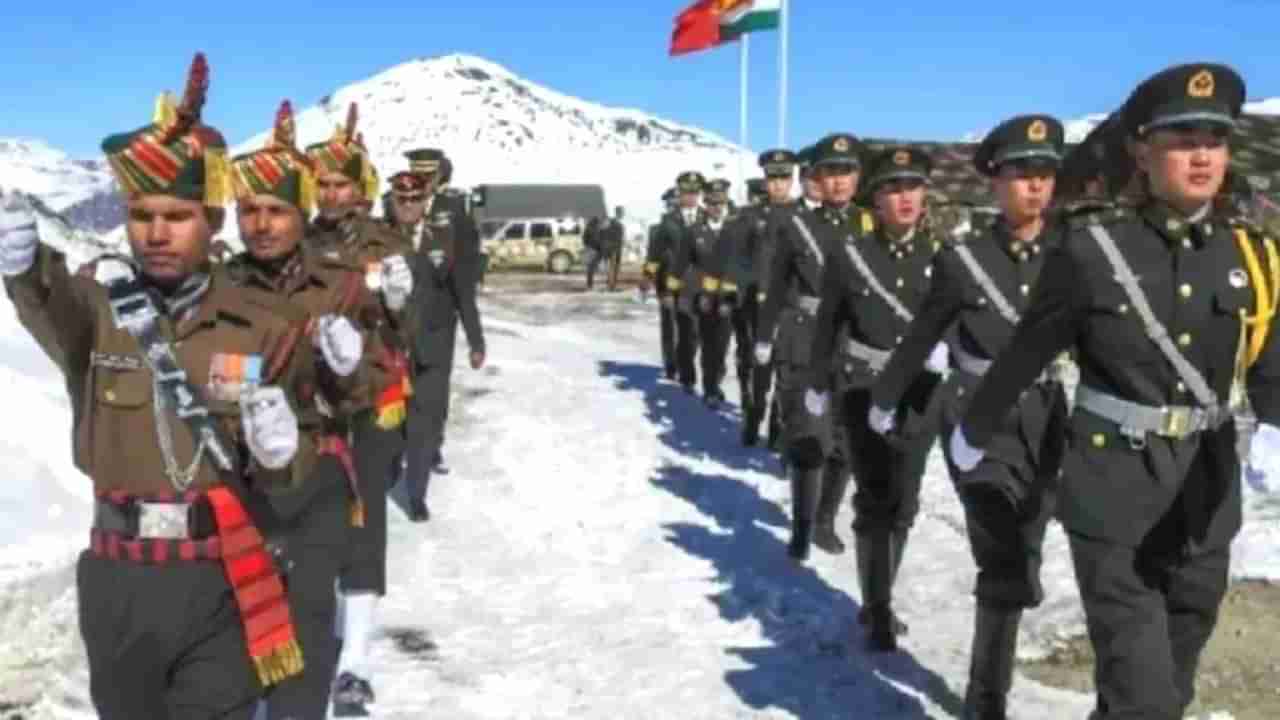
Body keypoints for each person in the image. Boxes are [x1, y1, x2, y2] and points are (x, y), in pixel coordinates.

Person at [951, 63, 1280, 720]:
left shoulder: (1254, 256)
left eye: (1213, 140)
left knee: (1169, 684)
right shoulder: (1091, 249)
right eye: (1182, 138)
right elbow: (1027, 351)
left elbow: (1269, 378)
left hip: (1207, 497)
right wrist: (973, 432)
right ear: (1141, 149)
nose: (1201, 155)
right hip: (1113, 494)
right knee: (1146, 700)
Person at [0, 54, 313, 719]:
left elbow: (298, 463)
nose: (156, 233)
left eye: (177, 215)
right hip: (119, 578)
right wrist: (25, 269)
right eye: (141, 215)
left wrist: (287, 454)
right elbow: (51, 303)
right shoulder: (101, 308)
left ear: (213, 222)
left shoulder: (263, 326)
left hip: (220, 573)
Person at [871, 117, 1070, 711]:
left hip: (1048, 417)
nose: (1034, 186)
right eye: (1019, 174)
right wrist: (885, 399)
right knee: (1002, 555)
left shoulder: (1074, 255)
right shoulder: (965, 261)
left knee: (1027, 546)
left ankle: (1003, 632)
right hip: (977, 422)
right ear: (994, 183)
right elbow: (919, 337)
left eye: (1044, 174)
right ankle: (988, 698)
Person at [226, 98, 399, 719]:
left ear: (300, 214)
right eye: (250, 211)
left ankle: (331, 680)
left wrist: (352, 367)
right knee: (235, 618)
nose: (263, 225)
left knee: (305, 610)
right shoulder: (220, 286)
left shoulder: (339, 282)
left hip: (318, 470)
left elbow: (374, 377)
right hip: (238, 479)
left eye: (277, 210)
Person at [804, 146, 946, 651]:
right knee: (875, 499)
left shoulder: (944, 256)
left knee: (905, 502)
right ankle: (876, 607)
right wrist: (818, 383)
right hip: (864, 390)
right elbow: (828, 327)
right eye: (892, 188)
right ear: (874, 199)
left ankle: (881, 592)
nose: (905, 197)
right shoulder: (851, 256)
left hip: (925, 396)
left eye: (913, 186)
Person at [304, 105, 415, 715]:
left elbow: (410, 326)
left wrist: (399, 302)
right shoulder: (299, 238)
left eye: (341, 184)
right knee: (310, 519)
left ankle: (355, 662)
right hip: (313, 400)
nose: (330, 194)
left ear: (361, 188)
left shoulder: (387, 242)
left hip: (371, 400)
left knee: (364, 519)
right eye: (322, 184)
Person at [756, 134, 876, 561]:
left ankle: (826, 519)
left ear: (858, 178)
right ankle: (802, 526)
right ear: (818, 179)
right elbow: (775, 288)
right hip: (806, 341)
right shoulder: (797, 226)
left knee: (846, 440)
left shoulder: (871, 224)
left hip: (855, 342)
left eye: (847, 172)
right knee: (811, 437)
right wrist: (765, 336)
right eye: (831, 173)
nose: (839, 182)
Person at [397, 147, 486, 521]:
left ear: (439, 176)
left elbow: (463, 284)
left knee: (427, 410)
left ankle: (416, 491)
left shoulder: (455, 216)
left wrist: (475, 338)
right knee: (396, 409)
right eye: (415, 172)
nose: (420, 180)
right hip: (395, 333)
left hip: (437, 330)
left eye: (428, 174)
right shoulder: (393, 207)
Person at [656, 171, 708, 393]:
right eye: (687, 192)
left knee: (692, 331)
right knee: (671, 326)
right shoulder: (668, 221)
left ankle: (686, 367)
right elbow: (657, 254)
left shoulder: (707, 217)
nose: (691, 196)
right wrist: (660, 287)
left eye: (695, 192)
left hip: (698, 284)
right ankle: (674, 367)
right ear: (680, 193)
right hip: (672, 281)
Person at [691, 179, 734, 406]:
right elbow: (688, 266)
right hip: (705, 298)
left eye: (721, 203)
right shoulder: (695, 231)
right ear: (705, 203)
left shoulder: (735, 229)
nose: (717, 207)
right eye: (712, 203)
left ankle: (716, 380)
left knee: (723, 345)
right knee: (708, 344)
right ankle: (710, 388)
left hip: (728, 297)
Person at [642, 188, 680, 378]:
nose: (674, 206)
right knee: (669, 326)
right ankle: (671, 364)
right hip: (666, 284)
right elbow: (652, 257)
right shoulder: (657, 230)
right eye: (671, 203)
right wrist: (648, 279)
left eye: (677, 203)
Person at [603, 206, 626, 292]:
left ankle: (613, 285)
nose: (623, 214)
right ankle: (610, 286)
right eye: (622, 212)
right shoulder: (611, 222)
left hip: (617, 248)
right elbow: (606, 235)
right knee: (612, 268)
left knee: (616, 268)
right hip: (613, 249)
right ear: (618, 213)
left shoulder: (618, 223)